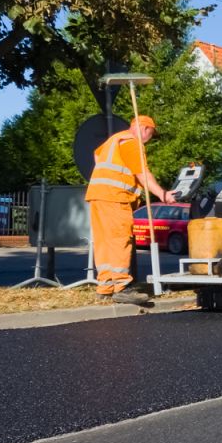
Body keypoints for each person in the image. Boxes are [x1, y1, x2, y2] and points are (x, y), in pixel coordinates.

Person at [84, 116, 177, 304]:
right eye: (150, 134)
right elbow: (143, 174)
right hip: (115, 196)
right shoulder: (132, 143)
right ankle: (122, 287)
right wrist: (162, 194)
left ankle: (105, 286)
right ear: (144, 129)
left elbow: (96, 155)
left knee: (105, 241)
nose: (149, 139)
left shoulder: (114, 140)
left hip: (98, 195)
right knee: (120, 239)